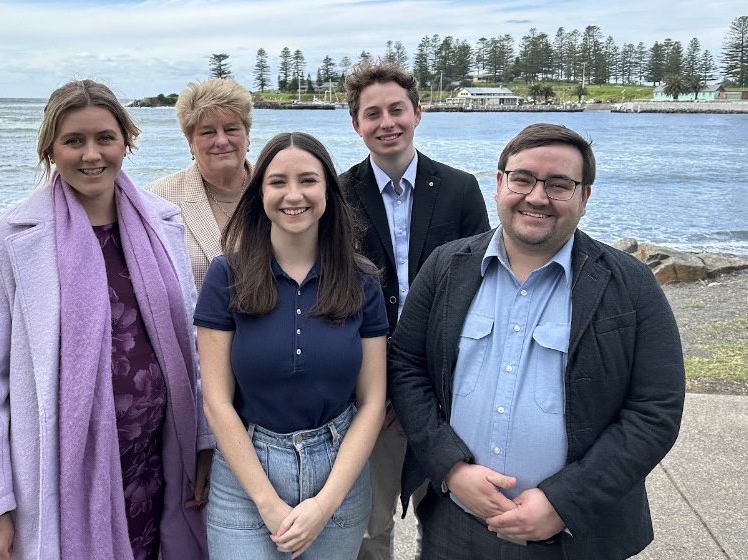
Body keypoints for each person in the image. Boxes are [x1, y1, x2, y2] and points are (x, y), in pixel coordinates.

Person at [387, 123, 686, 559]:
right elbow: (406, 366)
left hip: (577, 536)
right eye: (522, 178)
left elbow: (655, 410)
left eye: (559, 185)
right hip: (454, 524)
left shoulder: (631, 285)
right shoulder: (446, 267)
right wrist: (449, 467)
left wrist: (565, 500)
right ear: (499, 184)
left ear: (585, 198)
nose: (537, 196)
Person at [0, 79, 213, 560]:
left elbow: (190, 347)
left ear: (126, 141)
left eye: (104, 138)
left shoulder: (164, 224)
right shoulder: (8, 241)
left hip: (157, 464)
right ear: (51, 148)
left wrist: (203, 444)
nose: (91, 154)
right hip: (60, 472)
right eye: (74, 140)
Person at [195, 132, 388, 559]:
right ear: (260, 191)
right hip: (246, 474)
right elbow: (216, 401)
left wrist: (325, 504)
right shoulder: (226, 274)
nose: (293, 195)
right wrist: (266, 502)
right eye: (278, 181)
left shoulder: (362, 281)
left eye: (308, 180)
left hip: (338, 473)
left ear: (328, 192)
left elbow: (372, 401)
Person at [339, 60, 490, 560]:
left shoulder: (460, 189)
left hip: (446, 388)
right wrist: (377, 391)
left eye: (397, 109)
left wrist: (424, 391)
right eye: (372, 113)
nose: (387, 123)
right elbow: (337, 299)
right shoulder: (338, 195)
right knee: (368, 526)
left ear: (419, 113)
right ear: (355, 124)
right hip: (369, 394)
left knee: (449, 524)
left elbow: (479, 292)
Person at [147, 78, 253, 291]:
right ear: (190, 143)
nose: (222, 141)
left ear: (247, 136)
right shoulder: (158, 199)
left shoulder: (278, 187)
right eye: (208, 132)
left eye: (231, 129)